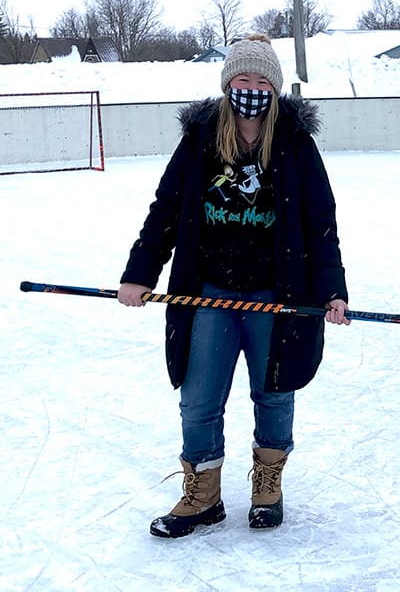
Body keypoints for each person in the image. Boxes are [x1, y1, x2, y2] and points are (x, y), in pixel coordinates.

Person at [118, 33, 350, 538]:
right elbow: (165, 211)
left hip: (275, 293)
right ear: (228, 83)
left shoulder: (294, 143)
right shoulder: (200, 138)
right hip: (208, 293)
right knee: (199, 396)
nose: (251, 87)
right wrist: (140, 273)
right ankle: (203, 496)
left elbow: (320, 221)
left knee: (273, 390)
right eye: (242, 78)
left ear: (274, 87)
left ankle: (267, 487)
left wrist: (333, 289)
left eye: (261, 79)